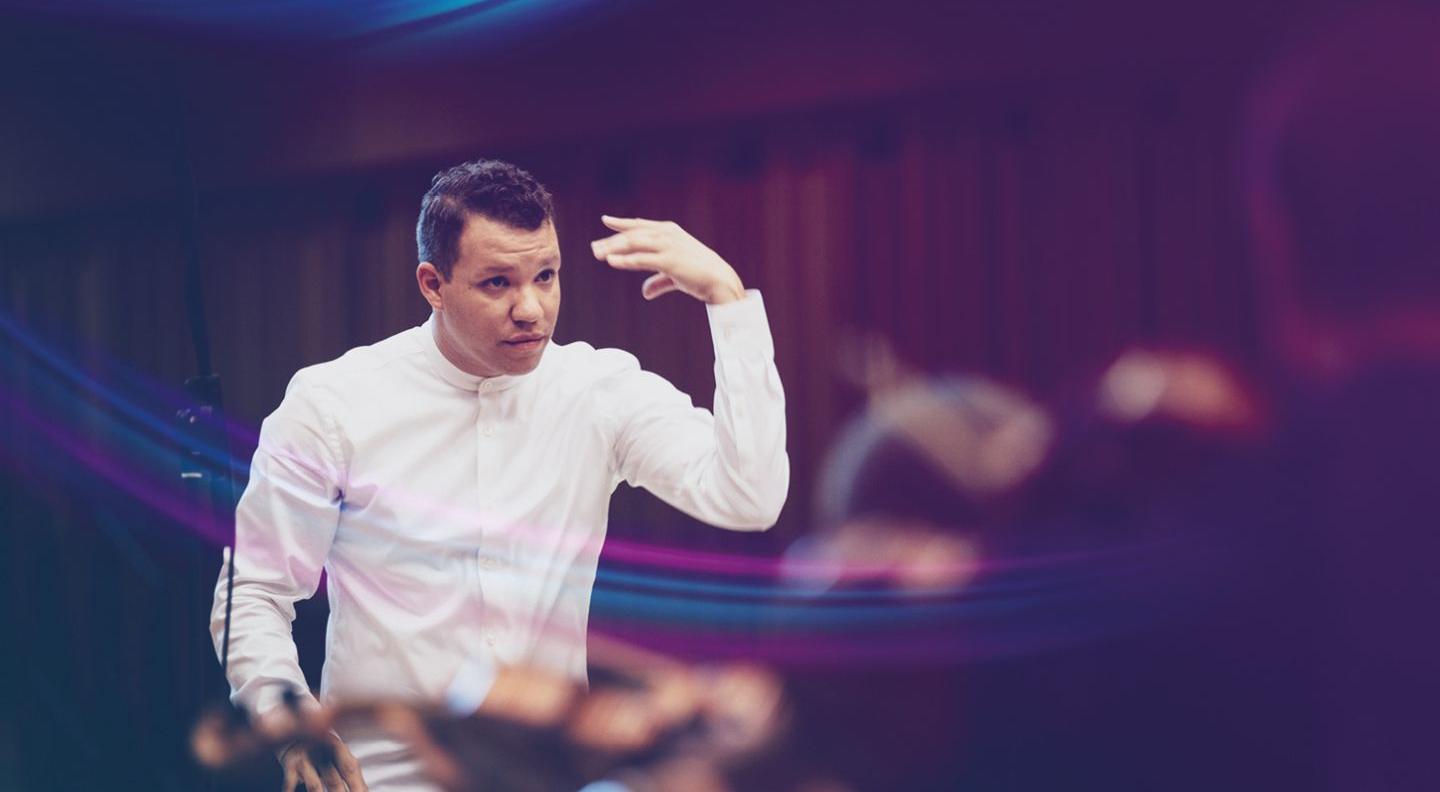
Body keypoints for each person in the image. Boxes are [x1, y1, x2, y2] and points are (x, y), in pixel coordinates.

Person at [210, 158, 789, 791]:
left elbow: (749, 497)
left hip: (551, 774)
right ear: (433, 284)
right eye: (497, 283)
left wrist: (729, 304)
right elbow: (255, 592)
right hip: (385, 777)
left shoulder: (599, 391)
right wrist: (290, 724)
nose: (531, 308)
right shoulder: (331, 405)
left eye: (546, 276)